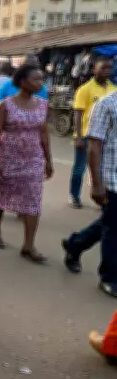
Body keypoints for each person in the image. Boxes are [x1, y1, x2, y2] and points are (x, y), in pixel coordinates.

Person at [0, 64, 53, 261]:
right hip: (7, 157)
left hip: (33, 158)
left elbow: (43, 132)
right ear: (22, 82)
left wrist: (48, 159)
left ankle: (28, 245)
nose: (40, 83)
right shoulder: (5, 105)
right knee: (0, 194)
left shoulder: (42, 104)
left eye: (42, 79)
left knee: (34, 198)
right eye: (36, 79)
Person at [62, 89, 117, 297]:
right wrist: (96, 183)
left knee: (111, 221)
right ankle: (109, 278)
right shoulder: (107, 104)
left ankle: (75, 244)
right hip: (112, 178)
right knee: (114, 228)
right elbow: (94, 145)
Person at [69, 58, 116, 208]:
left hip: (106, 137)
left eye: (109, 68)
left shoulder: (113, 88)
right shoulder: (85, 89)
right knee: (80, 168)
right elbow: (77, 113)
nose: (107, 71)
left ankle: (105, 198)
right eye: (103, 68)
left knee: (103, 168)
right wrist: (79, 137)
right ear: (94, 69)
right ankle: (74, 195)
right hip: (87, 136)